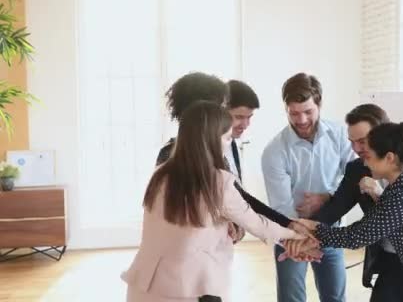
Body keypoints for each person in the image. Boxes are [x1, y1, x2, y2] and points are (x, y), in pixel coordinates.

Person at [121, 101, 306, 302]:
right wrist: (297, 236)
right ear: (210, 141)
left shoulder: (160, 175)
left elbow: (185, 225)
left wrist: (225, 225)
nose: (228, 145)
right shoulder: (218, 182)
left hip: (142, 288)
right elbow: (259, 225)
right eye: (227, 138)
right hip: (190, 290)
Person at [283, 122, 403, 302]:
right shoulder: (402, 184)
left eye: (368, 156)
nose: (365, 163)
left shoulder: (402, 193)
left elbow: (356, 236)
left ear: (389, 158)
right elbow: (378, 220)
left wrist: (312, 227)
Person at [155, 72, 315, 246]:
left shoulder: (220, 147)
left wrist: (286, 225)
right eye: (224, 109)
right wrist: (289, 231)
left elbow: (235, 198)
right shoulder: (171, 157)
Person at [261, 73, 355, 302]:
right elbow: (282, 206)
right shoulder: (274, 151)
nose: (301, 120)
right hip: (291, 234)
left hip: (330, 230)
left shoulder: (341, 136)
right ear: (286, 109)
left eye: (308, 111)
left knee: (335, 297)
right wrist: (300, 239)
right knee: (291, 298)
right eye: (293, 113)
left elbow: (354, 179)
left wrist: (329, 197)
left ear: (319, 104)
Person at [224, 79, 259, 182]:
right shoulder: (204, 151)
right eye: (239, 117)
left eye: (249, 117)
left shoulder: (232, 144)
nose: (245, 125)